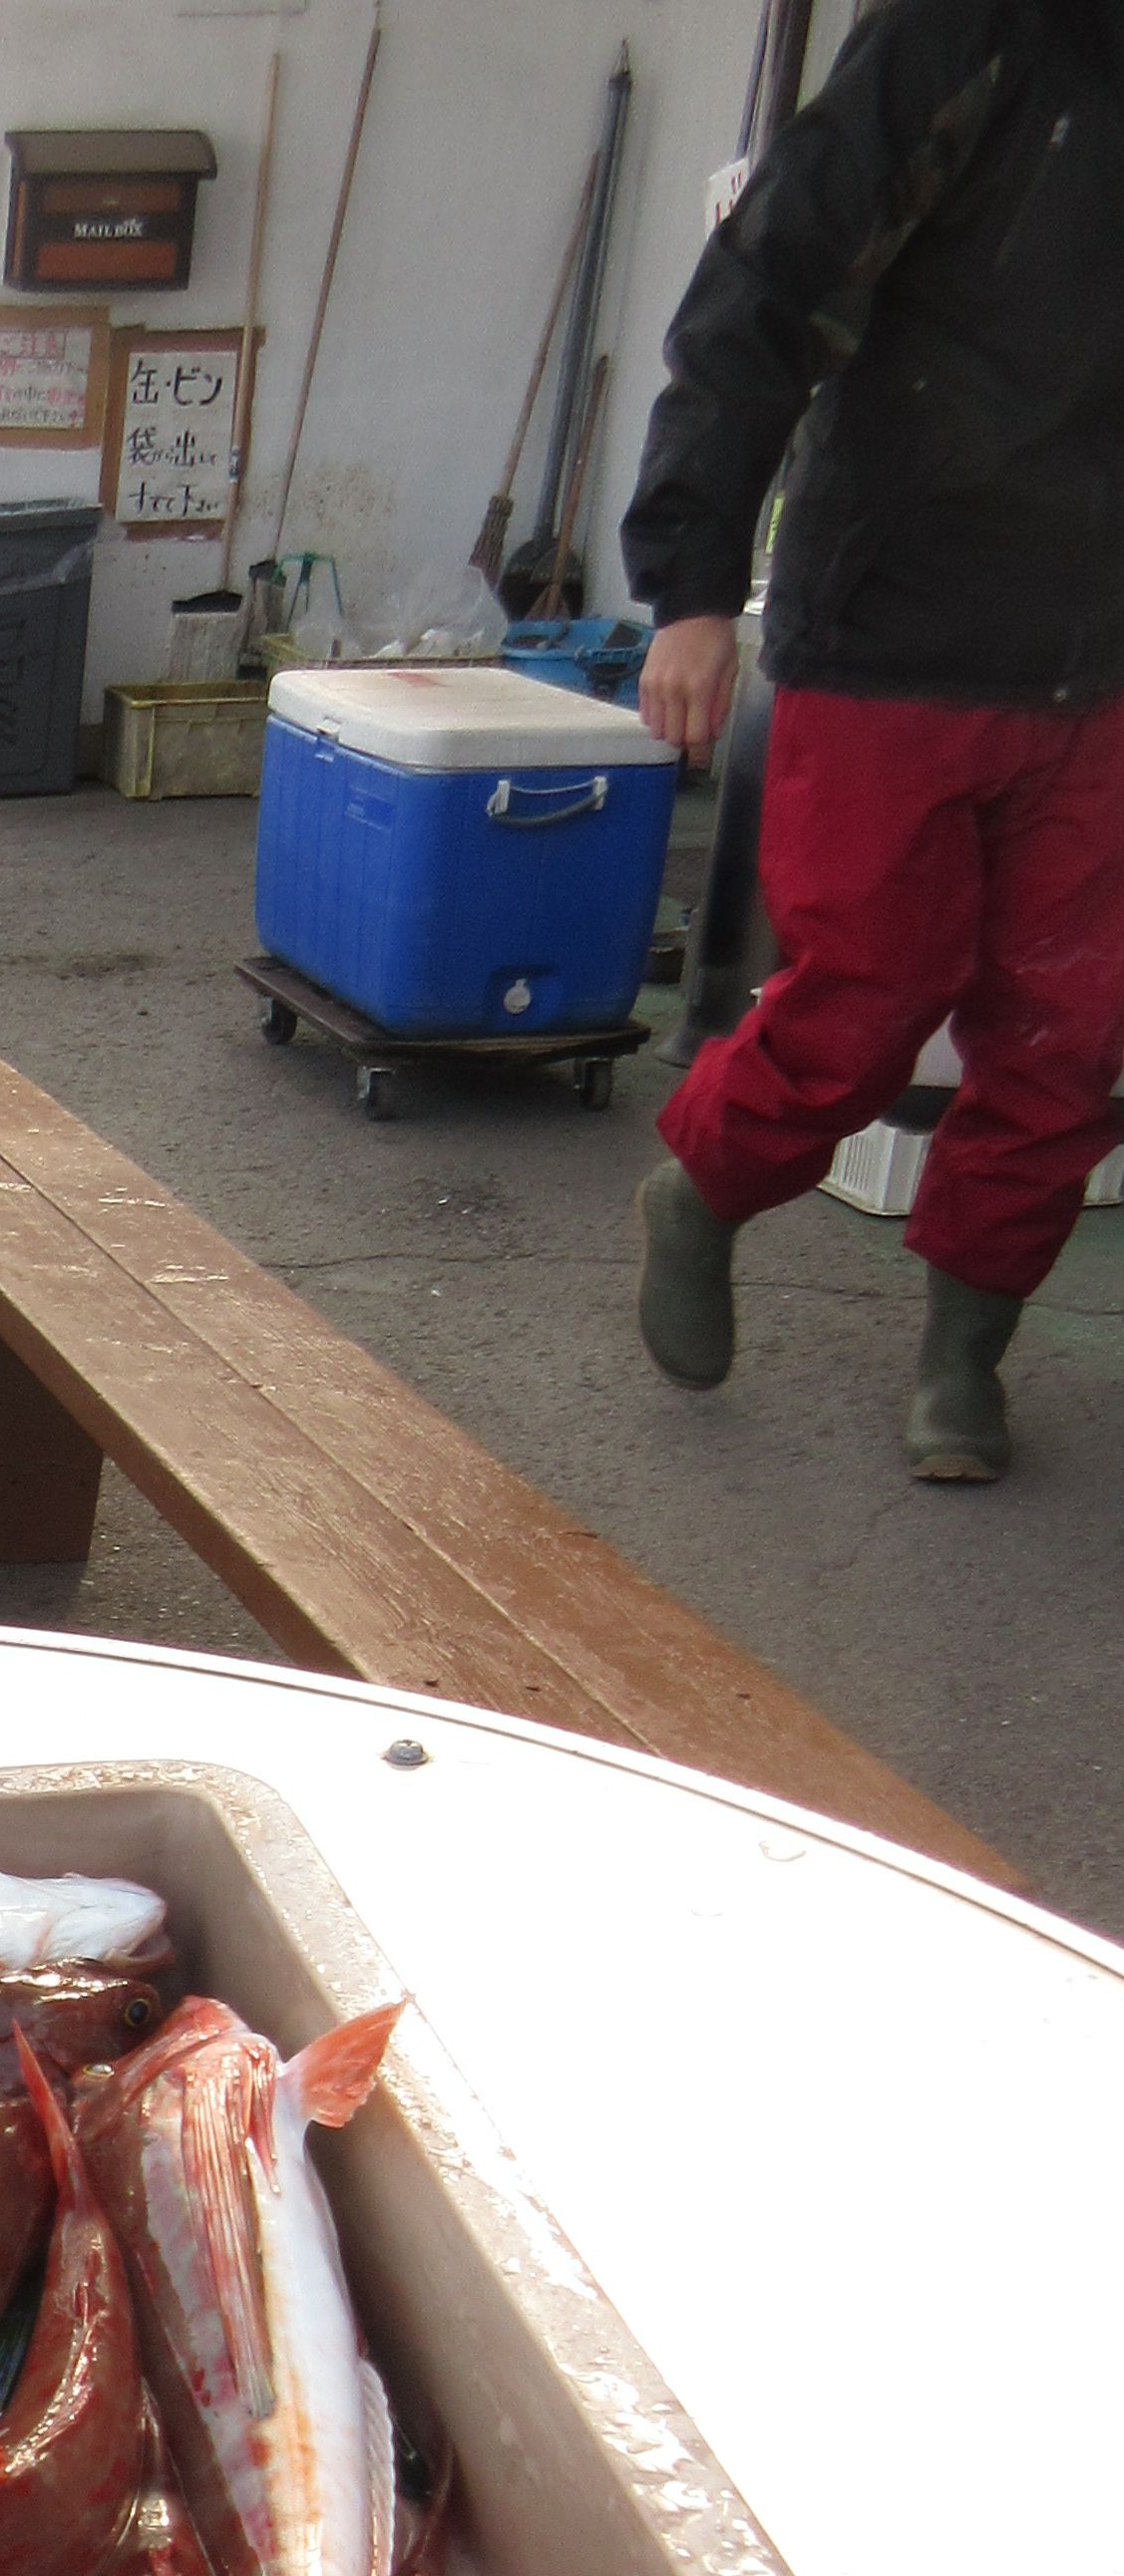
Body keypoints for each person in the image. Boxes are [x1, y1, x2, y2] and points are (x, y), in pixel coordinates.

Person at [620, 0, 1124, 1480]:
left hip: (1103, 662)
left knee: (1070, 1034)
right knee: (867, 997)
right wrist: (692, 587)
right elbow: (766, 283)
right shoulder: (960, 32)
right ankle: (708, 1187)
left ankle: (966, 1351)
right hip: (893, 621)